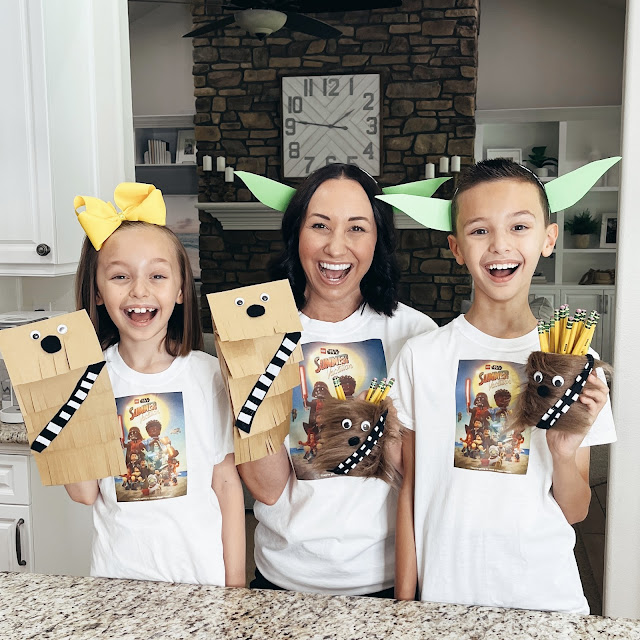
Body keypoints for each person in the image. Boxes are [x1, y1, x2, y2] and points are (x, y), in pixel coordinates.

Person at [390, 159, 615, 613]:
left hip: (545, 599)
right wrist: (404, 606)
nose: (500, 244)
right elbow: (410, 491)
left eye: (519, 226)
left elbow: (575, 511)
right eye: (480, 230)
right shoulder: (421, 356)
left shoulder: (574, 360)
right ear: (456, 247)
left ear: (547, 239)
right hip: (444, 599)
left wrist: (563, 453)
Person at [239, 163, 437, 596]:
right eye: (320, 225)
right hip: (283, 579)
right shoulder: (258, 334)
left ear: (378, 240)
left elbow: (424, 480)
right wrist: (248, 377)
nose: (335, 246)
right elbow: (268, 490)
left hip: (387, 580)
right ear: (296, 234)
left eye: (357, 228)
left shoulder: (416, 335)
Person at [65, 183, 245, 586]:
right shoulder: (88, 379)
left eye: (157, 275)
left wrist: (236, 591)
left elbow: (226, 484)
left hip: (202, 585)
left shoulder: (209, 376)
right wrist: (63, 407)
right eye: (120, 276)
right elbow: (84, 494)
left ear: (180, 290)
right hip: (117, 586)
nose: (139, 290)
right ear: (98, 291)